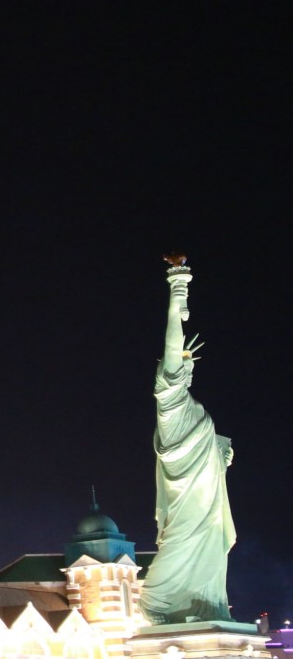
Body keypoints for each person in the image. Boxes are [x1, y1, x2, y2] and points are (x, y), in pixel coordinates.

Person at [138, 264, 235, 625]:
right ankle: (159, 603)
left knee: (209, 542)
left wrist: (221, 460)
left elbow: (209, 458)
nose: (185, 369)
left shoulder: (190, 407)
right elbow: (171, 345)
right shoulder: (170, 401)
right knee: (176, 548)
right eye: (179, 367)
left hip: (203, 496)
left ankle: (205, 604)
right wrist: (177, 291)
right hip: (183, 499)